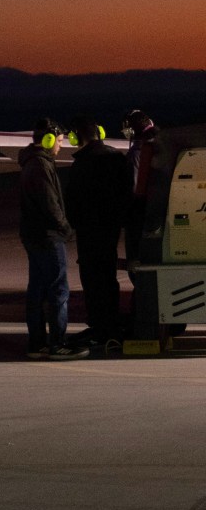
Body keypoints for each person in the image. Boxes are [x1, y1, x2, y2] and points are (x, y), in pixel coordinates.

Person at [62, 116, 130, 350]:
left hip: (90, 232)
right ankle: (109, 326)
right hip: (110, 231)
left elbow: (72, 201)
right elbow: (126, 192)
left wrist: (73, 225)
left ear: (78, 138)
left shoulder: (82, 163)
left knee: (92, 281)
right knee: (108, 279)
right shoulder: (116, 157)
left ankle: (100, 327)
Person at [19, 119, 82, 359]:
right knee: (58, 290)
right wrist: (65, 228)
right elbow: (50, 204)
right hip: (48, 236)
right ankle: (58, 344)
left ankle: (37, 344)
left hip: (33, 235)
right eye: (60, 140)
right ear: (48, 139)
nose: (61, 145)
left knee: (36, 289)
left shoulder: (30, 162)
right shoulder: (40, 165)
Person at [123, 110, 159, 264]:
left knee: (136, 256)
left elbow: (135, 188)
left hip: (139, 214)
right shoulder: (158, 147)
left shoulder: (137, 154)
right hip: (156, 210)